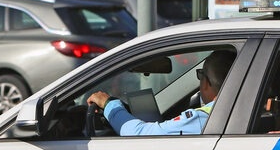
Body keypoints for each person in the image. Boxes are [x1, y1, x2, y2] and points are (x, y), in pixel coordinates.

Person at [87, 50, 234, 136]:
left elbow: (139, 135)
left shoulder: (206, 118)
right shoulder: (236, 109)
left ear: (206, 82)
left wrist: (109, 104)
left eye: (200, 74)